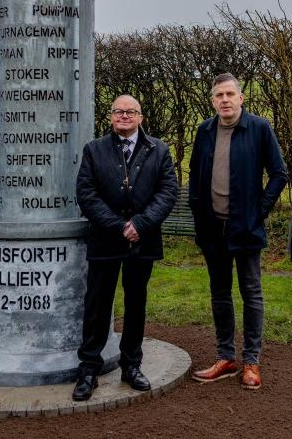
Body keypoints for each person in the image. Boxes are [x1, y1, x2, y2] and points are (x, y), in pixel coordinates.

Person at [72, 95, 179, 401]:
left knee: (136, 303)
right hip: (106, 239)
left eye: (130, 112)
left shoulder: (159, 150)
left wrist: (140, 225)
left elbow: (167, 191)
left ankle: (131, 364)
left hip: (142, 242)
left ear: (140, 117)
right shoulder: (94, 150)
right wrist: (119, 226)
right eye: (118, 112)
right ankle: (89, 368)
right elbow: (86, 193)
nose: (124, 116)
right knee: (97, 304)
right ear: (111, 117)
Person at [188, 73, 288, 391]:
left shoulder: (258, 128)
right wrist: (199, 215)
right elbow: (194, 175)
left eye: (230, 93)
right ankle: (226, 357)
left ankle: (251, 362)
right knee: (220, 293)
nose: (225, 100)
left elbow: (279, 174)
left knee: (251, 294)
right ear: (213, 100)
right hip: (212, 229)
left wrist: (258, 212)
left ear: (241, 98)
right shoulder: (204, 131)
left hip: (246, 228)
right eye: (219, 95)